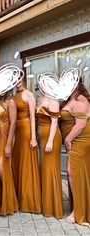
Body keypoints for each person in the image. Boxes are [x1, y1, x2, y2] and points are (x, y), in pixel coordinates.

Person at [60, 78, 90, 225]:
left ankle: (78, 212)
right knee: (74, 172)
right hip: (74, 139)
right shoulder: (69, 99)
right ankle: (78, 207)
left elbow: (80, 125)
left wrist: (67, 140)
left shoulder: (81, 100)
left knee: (72, 171)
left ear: (78, 84)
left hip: (81, 139)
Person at [11, 79, 41, 213]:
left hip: (27, 130)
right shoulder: (12, 96)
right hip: (16, 131)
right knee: (17, 163)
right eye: (14, 79)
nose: (17, 81)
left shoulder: (29, 94)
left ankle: (29, 201)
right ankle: (18, 197)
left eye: (19, 78)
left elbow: (33, 117)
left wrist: (33, 137)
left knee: (27, 163)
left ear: (22, 80)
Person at [37, 92, 64, 218]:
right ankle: (46, 204)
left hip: (51, 138)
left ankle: (54, 208)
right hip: (43, 137)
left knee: (51, 169)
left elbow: (54, 122)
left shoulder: (53, 100)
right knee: (45, 170)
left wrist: (50, 141)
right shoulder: (41, 98)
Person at [0, 91, 18, 215]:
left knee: (0, 169)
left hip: (6, 134)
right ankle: (3, 199)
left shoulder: (10, 102)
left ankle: (8, 199)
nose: (1, 91)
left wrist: (8, 145)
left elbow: (13, 123)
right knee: (1, 169)